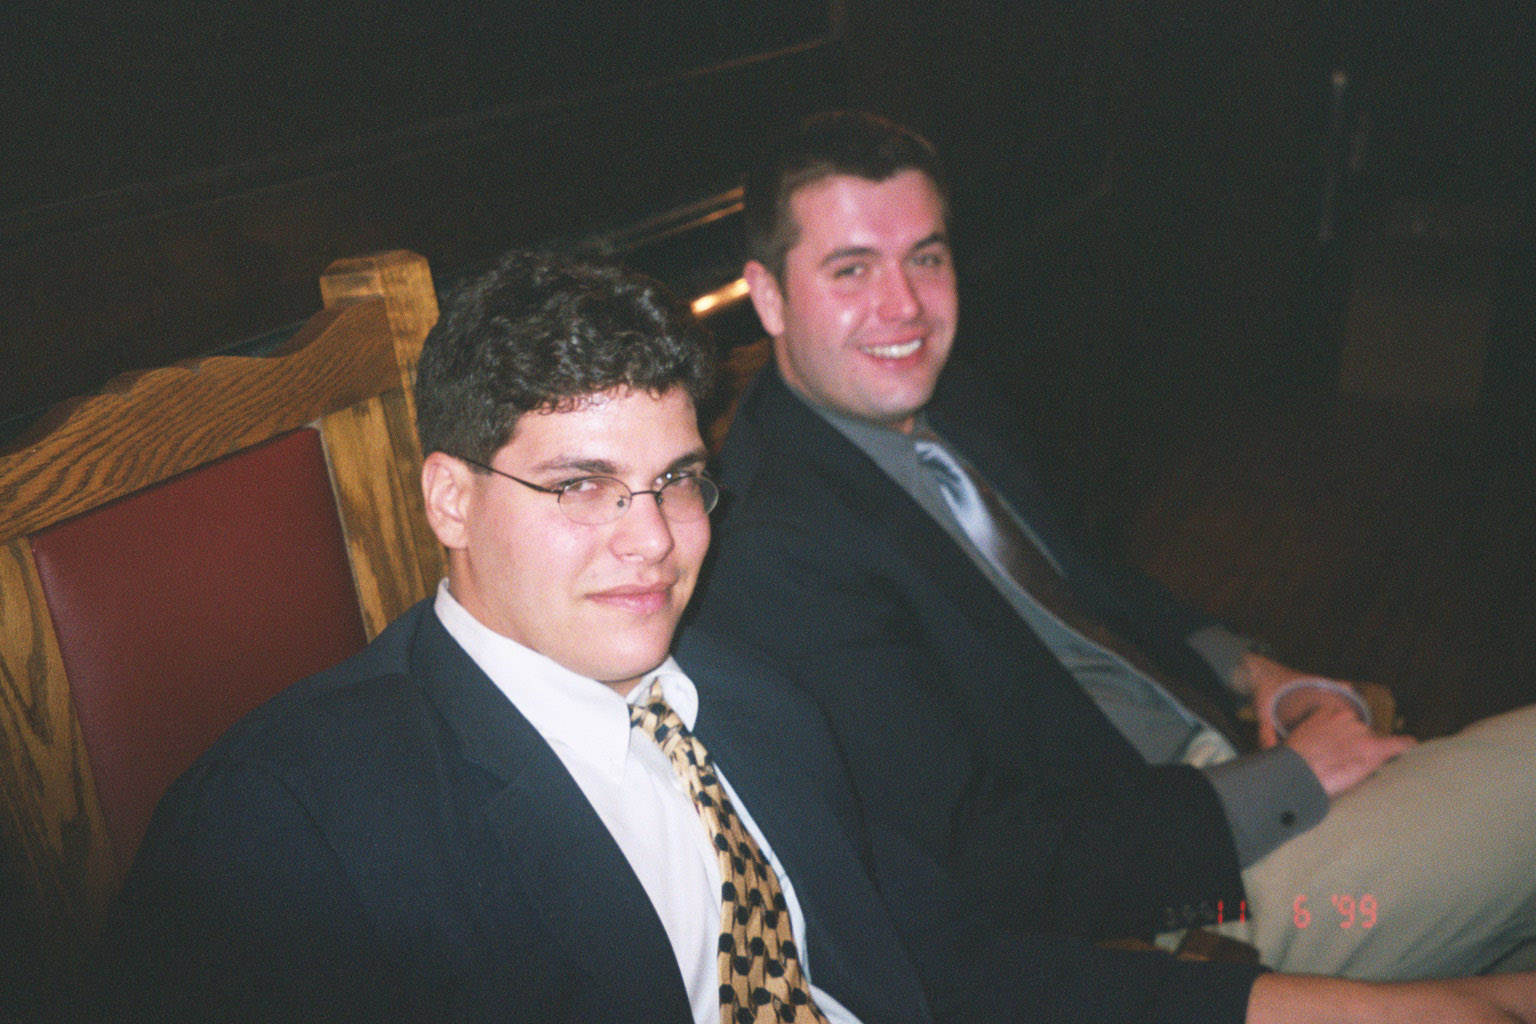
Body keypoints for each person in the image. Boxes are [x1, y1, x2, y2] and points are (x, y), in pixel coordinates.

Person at [92, 248, 1536, 1024]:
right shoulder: (289, 825)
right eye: (582, 486)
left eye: (676, 479)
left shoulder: (749, 699)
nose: (653, 541)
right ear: (450, 499)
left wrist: (1379, 1009)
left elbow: (956, 965)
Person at [689, 109, 1536, 981]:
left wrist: (1250, 669)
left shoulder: (950, 401)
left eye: (927, 258)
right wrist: (1289, 781)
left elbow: (1087, 581)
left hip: (1219, 761)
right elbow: (987, 858)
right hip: (1192, 899)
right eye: (852, 269)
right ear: (768, 296)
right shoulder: (776, 550)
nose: (904, 306)